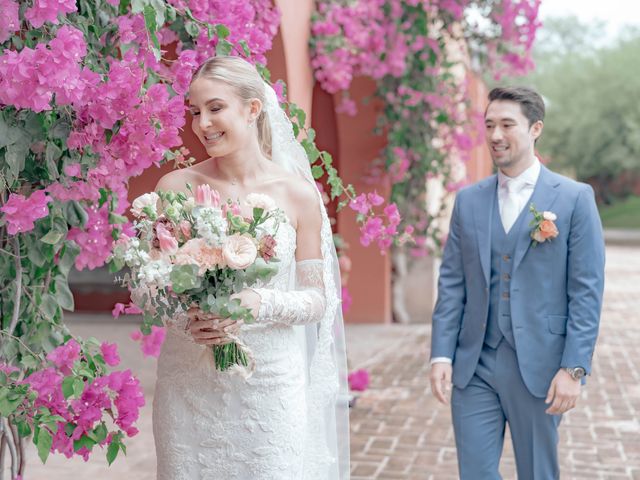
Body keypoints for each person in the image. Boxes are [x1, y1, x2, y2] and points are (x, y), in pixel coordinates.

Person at [151, 56, 350, 479]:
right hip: (189, 384)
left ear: (253, 109)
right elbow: (149, 287)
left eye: (215, 108)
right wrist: (188, 321)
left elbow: (318, 300)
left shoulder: (297, 196)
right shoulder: (175, 188)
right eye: (195, 112)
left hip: (269, 385)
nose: (202, 123)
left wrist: (260, 301)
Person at [429, 86, 605, 479]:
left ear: (535, 128)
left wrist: (574, 368)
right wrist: (441, 354)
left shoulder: (574, 199)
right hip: (473, 365)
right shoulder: (468, 201)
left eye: (507, 124)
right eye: (489, 124)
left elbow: (586, 292)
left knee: (537, 473)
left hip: (540, 368)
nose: (495, 135)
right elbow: (453, 284)